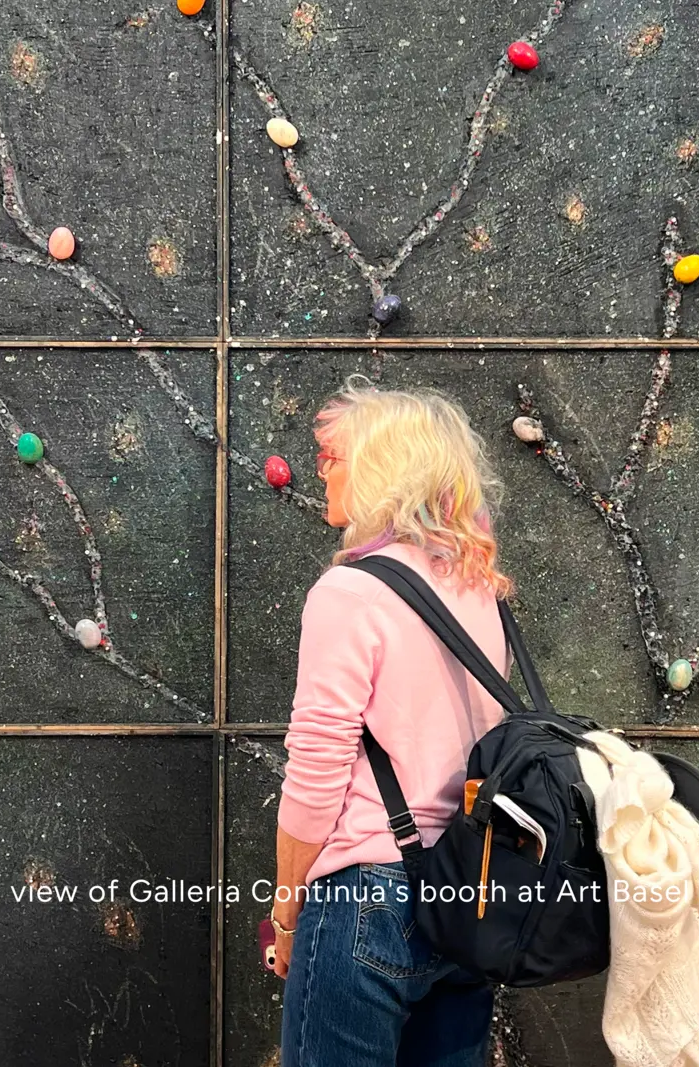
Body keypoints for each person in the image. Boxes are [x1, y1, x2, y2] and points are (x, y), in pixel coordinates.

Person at [268, 374, 514, 1067]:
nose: (322, 467)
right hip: (465, 898)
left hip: (364, 903)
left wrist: (286, 911)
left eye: (335, 455)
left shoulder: (349, 591)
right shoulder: (477, 591)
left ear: (382, 465)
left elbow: (316, 774)